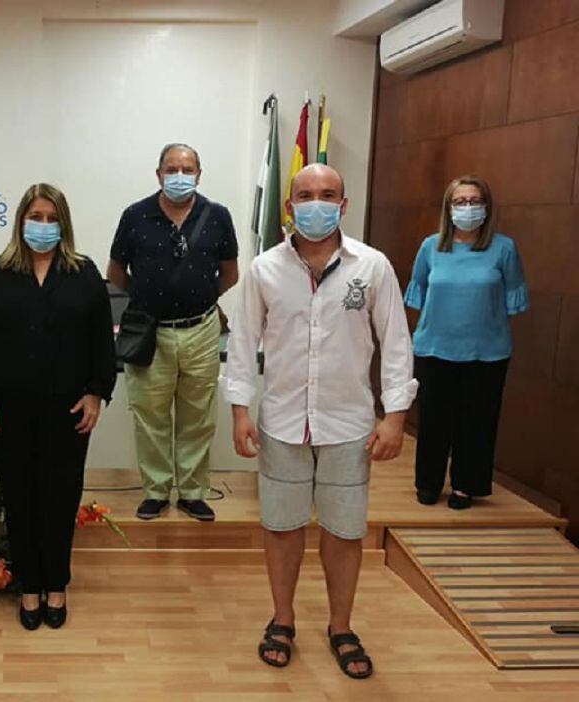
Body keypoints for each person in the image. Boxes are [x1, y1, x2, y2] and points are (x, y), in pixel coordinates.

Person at [222, 164, 417, 679]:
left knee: (344, 532)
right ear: (289, 205)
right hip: (282, 422)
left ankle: (341, 626)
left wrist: (395, 416)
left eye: (327, 194)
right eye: (305, 194)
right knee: (282, 528)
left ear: (343, 205)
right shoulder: (264, 269)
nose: (316, 203)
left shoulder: (372, 267)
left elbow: (396, 344)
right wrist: (241, 410)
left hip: (349, 425)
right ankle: (282, 620)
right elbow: (242, 345)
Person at [0, 183, 116, 631]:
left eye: (52, 219)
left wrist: (96, 393)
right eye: (36, 217)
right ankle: (28, 586)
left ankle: (56, 584)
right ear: (21, 221)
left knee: (59, 497)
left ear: (64, 224)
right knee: (19, 498)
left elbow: (99, 343)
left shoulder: (85, 274)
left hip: (67, 409)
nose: (44, 226)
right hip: (9, 408)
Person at [107, 143, 239, 522]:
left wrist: (197, 297)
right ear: (158, 174)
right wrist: (148, 300)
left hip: (201, 330)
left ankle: (194, 492)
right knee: (150, 416)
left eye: (187, 168)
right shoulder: (135, 216)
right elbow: (115, 273)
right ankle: (156, 490)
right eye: (171, 168)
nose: (179, 175)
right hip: (150, 333)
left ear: (199, 174)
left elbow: (230, 273)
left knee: (198, 416)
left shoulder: (217, 216)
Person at [404, 175, 528, 510]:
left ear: (486, 208)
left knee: (477, 422)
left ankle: (465, 486)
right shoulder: (431, 247)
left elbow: (512, 297)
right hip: (434, 348)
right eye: (460, 201)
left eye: (475, 201)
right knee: (433, 420)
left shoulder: (504, 248)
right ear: (448, 208)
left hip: (487, 352)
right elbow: (420, 291)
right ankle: (428, 483)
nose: (468, 208)